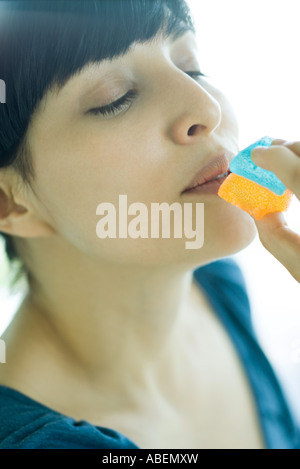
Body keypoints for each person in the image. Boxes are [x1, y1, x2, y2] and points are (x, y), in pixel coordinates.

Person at [0, 0, 299, 450]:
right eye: (115, 98)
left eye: (191, 66)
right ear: (10, 204)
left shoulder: (216, 284)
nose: (206, 107)